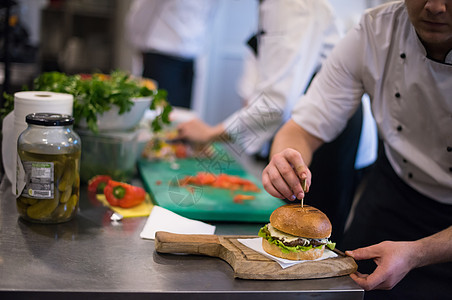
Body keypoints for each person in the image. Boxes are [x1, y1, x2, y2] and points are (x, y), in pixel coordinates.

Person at [262, 0, 452, 298]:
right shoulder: (375, 30)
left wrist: (417, 253)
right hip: (392, 194)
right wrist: (285, 157)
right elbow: (303, 128)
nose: (435, 7)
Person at [177, 0, 377, 242]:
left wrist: (210, 133)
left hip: (329, 133)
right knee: (292, 232)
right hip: (313, 124)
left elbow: (275, 105)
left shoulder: (289, 4)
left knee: (314, 238)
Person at [125, 0, 219, 108]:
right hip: (161, 55)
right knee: (156, 111)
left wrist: (200, 46)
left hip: (190, 58)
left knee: (181, 113)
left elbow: (208, 16)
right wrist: (137, 41)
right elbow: (142, 10)